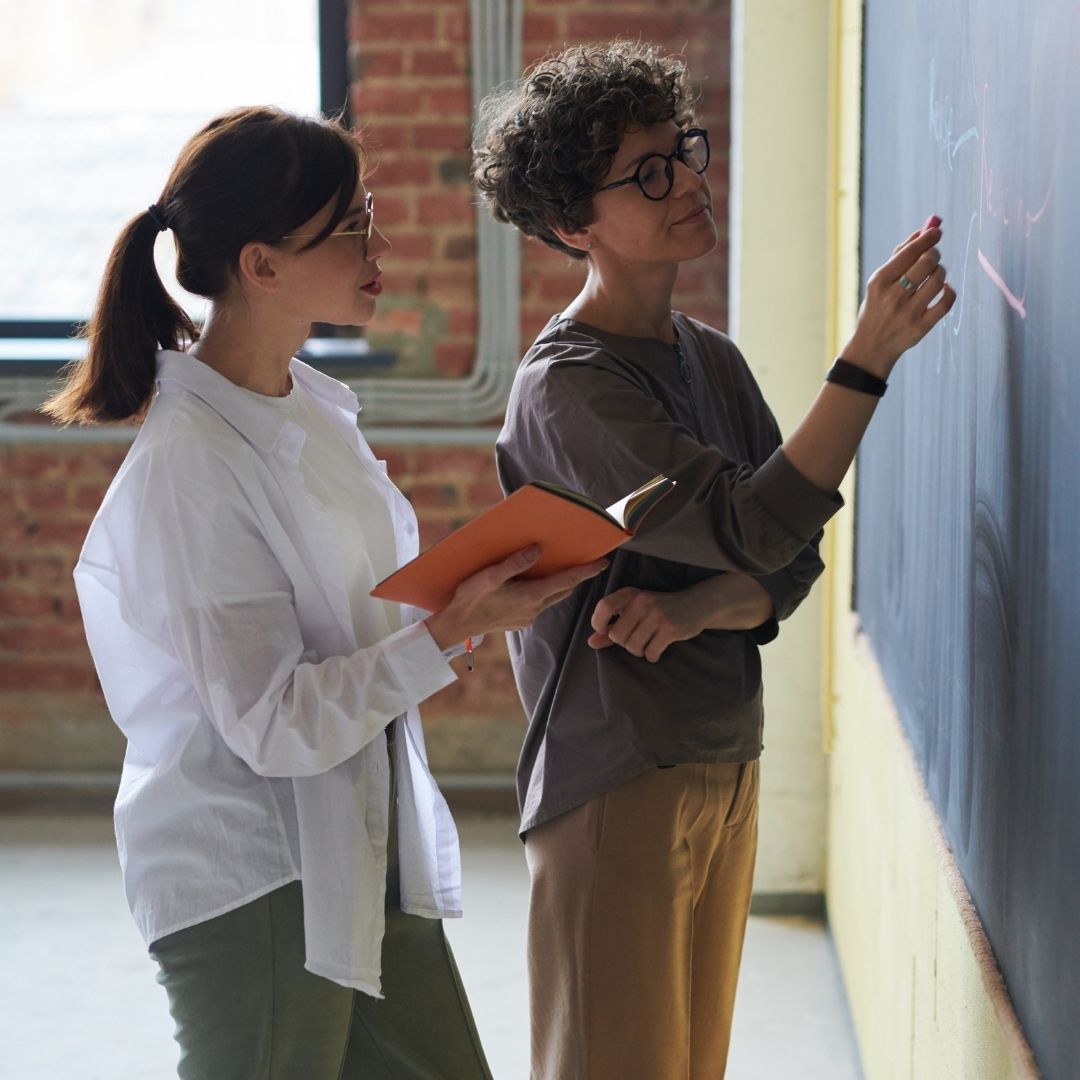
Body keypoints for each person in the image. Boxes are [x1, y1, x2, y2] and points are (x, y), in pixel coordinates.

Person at [42, 105, 605, 1080]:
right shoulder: (193, 467)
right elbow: (271, 721)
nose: (379, 244)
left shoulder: (301, 406)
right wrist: (448, 633)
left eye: (369, 212)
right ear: (261, 265)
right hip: (255, 874)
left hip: (354, 838)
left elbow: (341, 629)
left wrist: (458, 605)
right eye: (351, 227)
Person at [472, 40, 955, 1079]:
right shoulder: (570, 388)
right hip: (618, 773)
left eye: (682, 150)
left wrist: (702, 611)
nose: (688, 180)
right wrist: (862, 361)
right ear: (573, 226)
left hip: (723, 751)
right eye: (648, 173)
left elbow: (788, 556)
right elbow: (750, 527)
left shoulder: (712, 359)